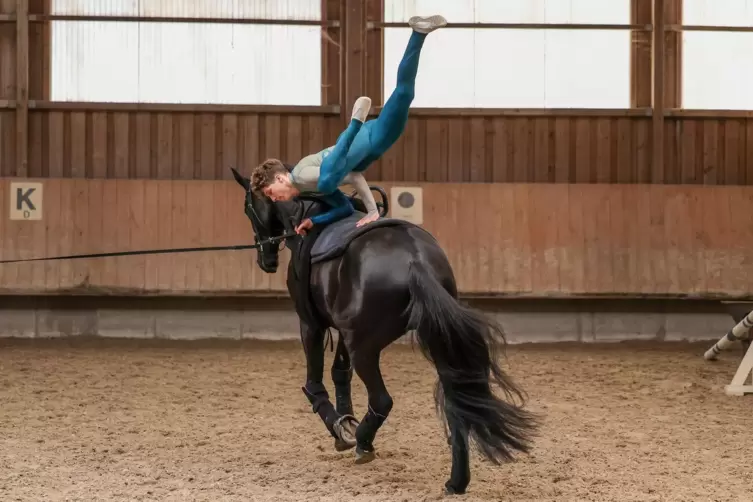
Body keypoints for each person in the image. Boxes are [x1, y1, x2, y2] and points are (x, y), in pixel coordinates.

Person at [250, 14, 447, 235]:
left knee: (326, 181)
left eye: (270, 192)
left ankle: (354, 122)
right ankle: (419, 32)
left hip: (364, 138)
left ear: (279, 178)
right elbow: (347, 197)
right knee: (404, 93)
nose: (274, 199)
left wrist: (355, 129)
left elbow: (338, 174)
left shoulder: (301, 174)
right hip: (375, 144)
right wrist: (315, 221)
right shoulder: (307, 187)